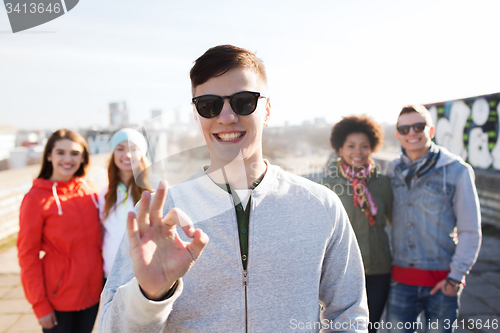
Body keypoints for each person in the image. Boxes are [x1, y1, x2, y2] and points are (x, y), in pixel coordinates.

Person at [99, 45, 368, 332]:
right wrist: (150, 296)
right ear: (196, 114)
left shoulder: (320, 205)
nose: (226, 117)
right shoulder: (159, 214)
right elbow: (109, 327)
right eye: (209, 105)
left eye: (243, 101)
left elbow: (349, 313)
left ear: (266, 109)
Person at [386, 105, 482, 333]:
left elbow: (470, 230)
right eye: (405, 128)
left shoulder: (457, 170)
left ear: (431, 130)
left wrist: (455, 279)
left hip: (442, 280)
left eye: (419, 126)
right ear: (398, 134)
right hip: (400, 281)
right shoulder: (391, 170)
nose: (412, 133)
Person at [17, 129, 103, 332]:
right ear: (49, 156)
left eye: (74, 153)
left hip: (93, 295)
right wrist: (39, 305)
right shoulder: (35, 198)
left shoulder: (89, 190)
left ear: (83, 157)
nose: (68, 159)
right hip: (58, 300)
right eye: (60, 152)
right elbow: (27, 255)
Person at [318, 115, 393, 333]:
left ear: (372, 148)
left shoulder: (383, 183)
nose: (357, 151)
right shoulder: (326, 184)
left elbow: (393, 220)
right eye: (351, 146)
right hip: (341, 272)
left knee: (371, 327)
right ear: (339, 149)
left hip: (378, 268)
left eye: (364, 146)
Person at [98, 128, 152, 281]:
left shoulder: (154, 192)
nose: (127, 155)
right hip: (110, 277)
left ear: (142, 154)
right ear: (113, 154)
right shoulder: (104, 195)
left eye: (133, 149)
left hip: (143, 277)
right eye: (120, 149)